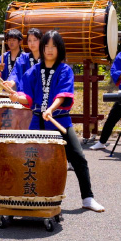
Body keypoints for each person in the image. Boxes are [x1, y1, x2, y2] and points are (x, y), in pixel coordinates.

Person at [10, 30, 105, 213]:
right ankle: (28, 198)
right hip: (38, 122)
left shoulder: (64, 70)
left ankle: (87, 198)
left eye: (54, 46)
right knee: (31, 160)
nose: (50, 50)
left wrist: (51, 110)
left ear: (59, 48)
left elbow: (62, 96)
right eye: (47, 46)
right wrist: (17, 97)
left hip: (60, 120)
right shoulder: (33, 71)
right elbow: (28, 97)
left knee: (78, 157)